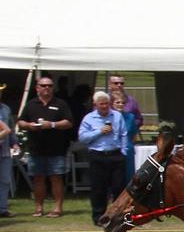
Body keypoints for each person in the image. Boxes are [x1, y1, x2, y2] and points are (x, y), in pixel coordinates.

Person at [17, 76, 74, 218]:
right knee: (38, 179)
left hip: (57, 149)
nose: (46, 88)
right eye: (43, 85)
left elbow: (69, 122)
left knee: (56, 178)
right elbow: (20, 122)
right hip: (36, 148)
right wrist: (29, 126)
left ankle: (57, 208)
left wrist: (52, 124)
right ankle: (38, 208)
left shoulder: (60, 104)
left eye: (49, 85)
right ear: (37, 88)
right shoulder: (31, 104)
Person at [79, 91, 128, 224]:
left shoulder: (117, 116)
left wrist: (123, 152)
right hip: (97, 156)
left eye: (106, 104)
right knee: (98, 188)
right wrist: (99, 131)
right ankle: (99, 217)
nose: (105, 106)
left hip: (116, 154)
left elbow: (124, 134)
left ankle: (118, 216)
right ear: (95, 105)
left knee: (118, 187)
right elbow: (82, 137)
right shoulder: (89, 118)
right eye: (101, 104)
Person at [110, 91, 140, 183]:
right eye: (117, 102)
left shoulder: (130, 117)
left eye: (122, 102)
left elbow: (134, 134)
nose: (120, 104)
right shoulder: (108, 117)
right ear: (112, 103)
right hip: (113, 150)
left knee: (128, 176)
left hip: (128, 150)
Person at [0, 84, 14, 219]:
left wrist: (14, 142)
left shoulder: (6, 109)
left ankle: (2, 208)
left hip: (4, 151)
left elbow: (10, 128)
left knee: (4, 180)